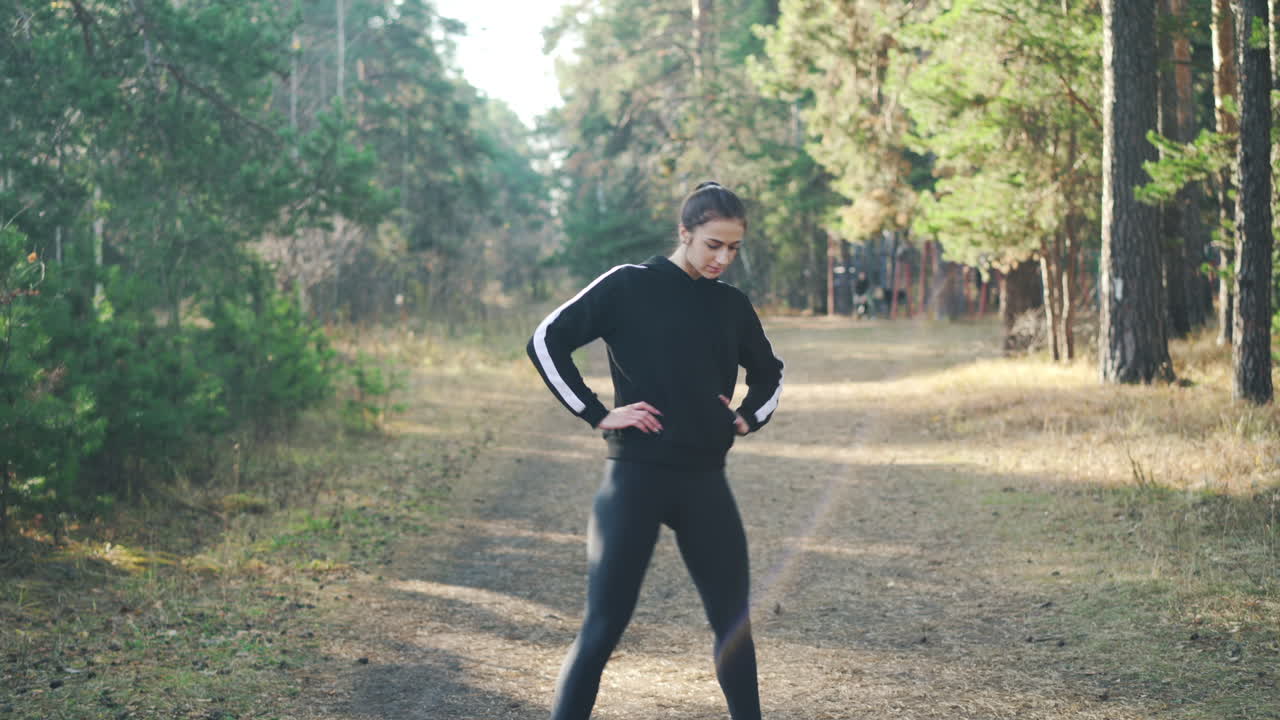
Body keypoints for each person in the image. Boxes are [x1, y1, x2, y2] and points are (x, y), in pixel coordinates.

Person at [526, 181, 784, 720]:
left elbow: (769, 373)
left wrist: (747, 416)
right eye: (713, 244)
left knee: (733, 626)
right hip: (635, 478)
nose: (723, 259)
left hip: (704, 481)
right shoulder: (629, 284)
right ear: (684, 233)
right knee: (603, 627)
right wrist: (597, 412)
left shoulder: (731, 305)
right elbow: (546, 340)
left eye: (734, 248)